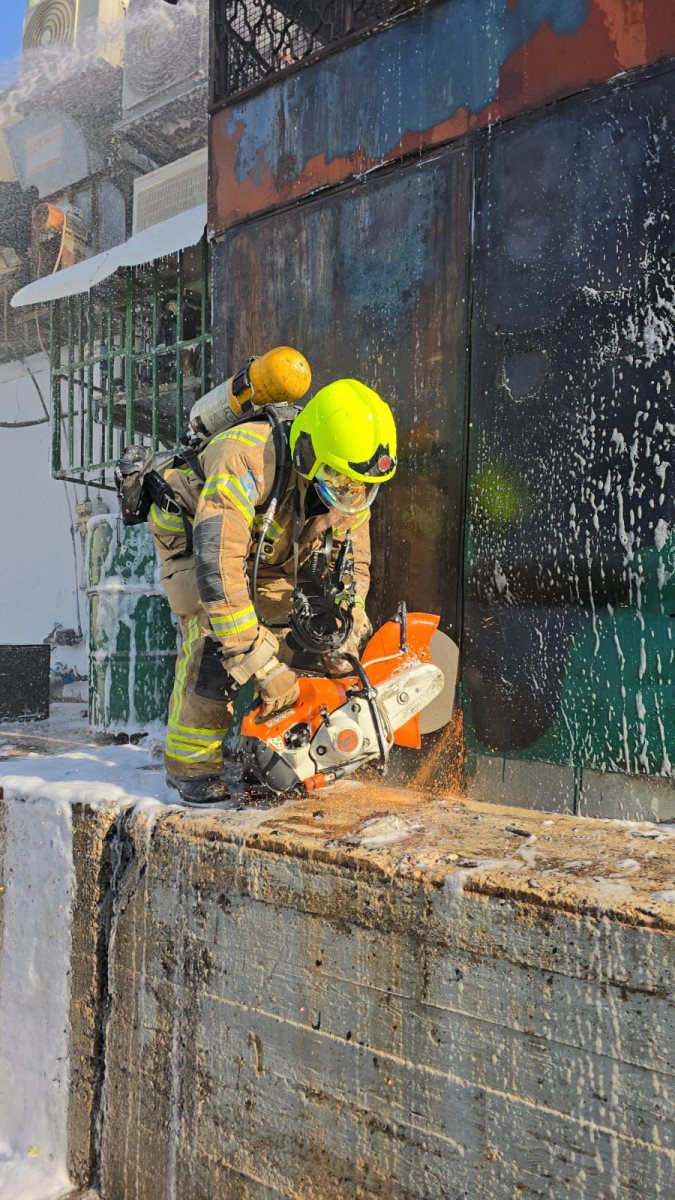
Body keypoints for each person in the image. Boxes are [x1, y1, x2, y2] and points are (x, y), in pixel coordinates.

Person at [148, 377, 398, 805]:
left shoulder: (349, 486)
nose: (349, 497)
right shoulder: (244, 458)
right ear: (308, 453)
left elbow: (353, 569)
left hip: (268, 544)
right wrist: (262, 667)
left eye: (360, 488)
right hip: (196, 541)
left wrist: (347, 636)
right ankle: (189, 764)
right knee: (217, 633)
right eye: (340, 482)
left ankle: (270, 747)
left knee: (300, 626)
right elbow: (219, 569)